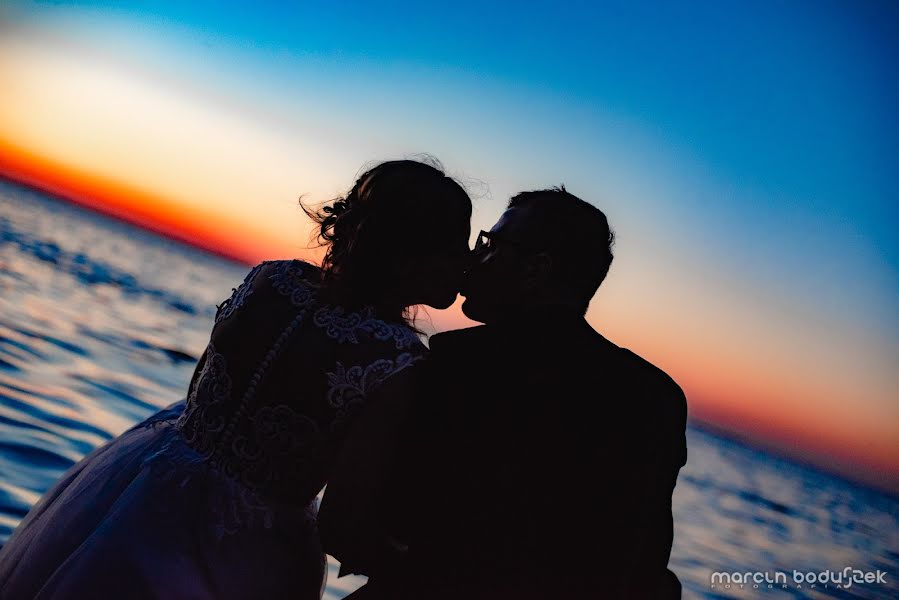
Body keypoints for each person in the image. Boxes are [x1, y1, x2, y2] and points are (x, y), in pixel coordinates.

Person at [0, 159, 472, 599]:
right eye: (457, 245)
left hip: (144, 483)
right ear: (416, 253)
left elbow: (198, 391)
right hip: (246, 547)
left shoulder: (271, 280)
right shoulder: (398, 361)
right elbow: (341, 524)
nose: (466, 261)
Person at [320, 186, 688, 599]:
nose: (474, 260)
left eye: (490, 244)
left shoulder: (454, 367)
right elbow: (643, 564)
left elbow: (356, 526)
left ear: (536, 269)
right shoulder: (657, 398)